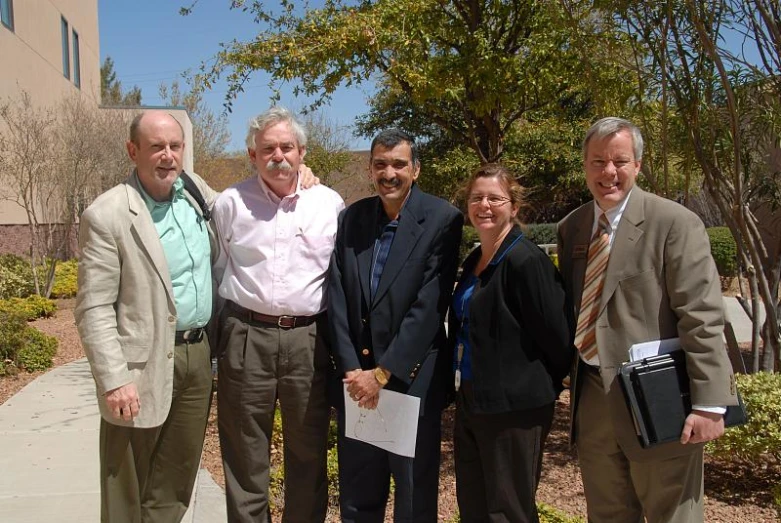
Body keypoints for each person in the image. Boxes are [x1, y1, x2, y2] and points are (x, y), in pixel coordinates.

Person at [557, 117, 738, 523]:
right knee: (607, 515)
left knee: (670, 514)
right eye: (598, 161)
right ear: (584, 165)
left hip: (660, 397)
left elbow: (702, 316)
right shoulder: (573, 228)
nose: (608, 172)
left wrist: (710, 405)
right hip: (594, 397)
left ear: (638, 165)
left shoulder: (674, 223)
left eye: (619, 161)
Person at [75, 110, 217, 523]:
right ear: (133, 150)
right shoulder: (108, 214)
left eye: (175, 146)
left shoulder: (193, 192)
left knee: (174, 480)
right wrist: (114, 378)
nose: (168, 156)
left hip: (196, 356)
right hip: (139, 366)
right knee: (127, 485)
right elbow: (93, 306)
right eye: (157, 147)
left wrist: (301, 175)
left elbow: (244, 208)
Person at [211, 106, 344, 523]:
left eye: (287, 147)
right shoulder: (231, 203)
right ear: (252, 155)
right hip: (247, 335)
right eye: (268, 148)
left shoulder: (329, 203)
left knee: (308, 450)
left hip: (309, 339)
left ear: (303, 152)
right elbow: (217, 265)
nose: (278, 156)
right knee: (245, 451)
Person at [328, 128, 463, 522]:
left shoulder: (442, 220)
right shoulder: (352, 218)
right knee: (357, 493)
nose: (390, 173)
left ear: (415, 169)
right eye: (381, 165)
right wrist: (354, 368)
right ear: (371, 170)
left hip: (409, 380)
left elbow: (429, 306)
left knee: (412, 495)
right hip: (357, 383)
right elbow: (337, 294)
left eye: (399, 164)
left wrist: (383, 373)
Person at [450, 163, 573, 522]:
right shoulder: (475, 258)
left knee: (509, 510)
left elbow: (558, 339)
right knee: (473, 504)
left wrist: (534, 385)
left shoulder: (526, 261)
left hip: (514, 409)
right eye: (477, 198)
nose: (484, 205)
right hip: (472, 398)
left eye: (494, 198)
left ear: (514, 207)